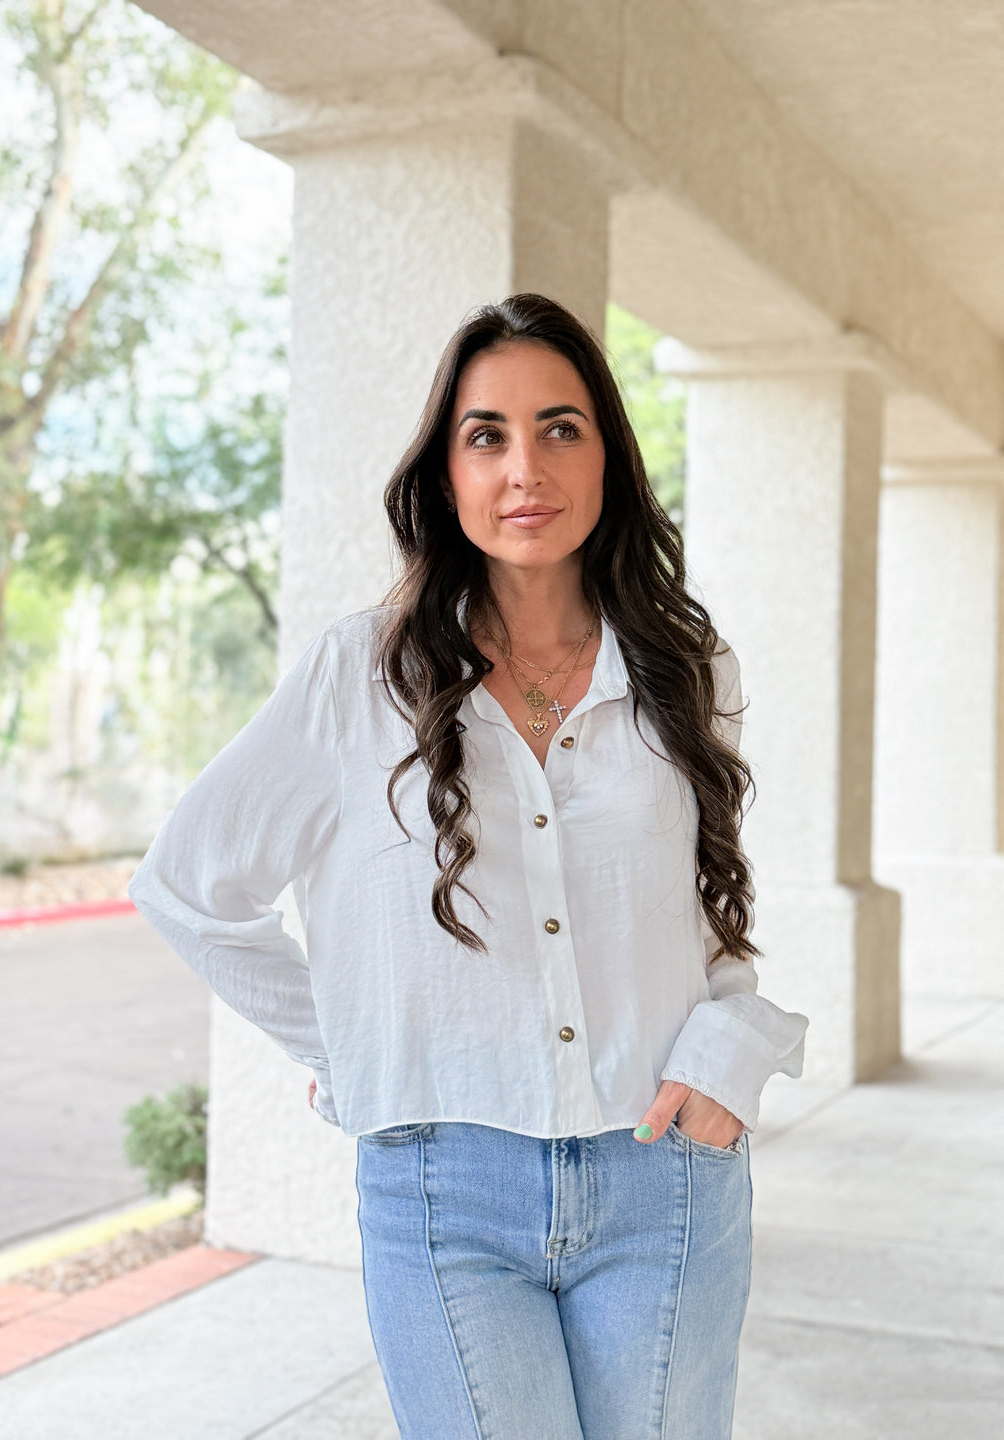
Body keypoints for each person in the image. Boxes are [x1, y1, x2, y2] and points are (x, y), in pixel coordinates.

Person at [128, 292, 809, 1440]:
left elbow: (706, 912)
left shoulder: (686, 667)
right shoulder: (360, 675)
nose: (524, 467)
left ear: (608, 457)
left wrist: (732, 1049)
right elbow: (189, 888)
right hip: (446, 1198)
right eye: (485, 434)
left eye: (560, 427)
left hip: (665, 1175)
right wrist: (347, 1045)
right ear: (446, 473)